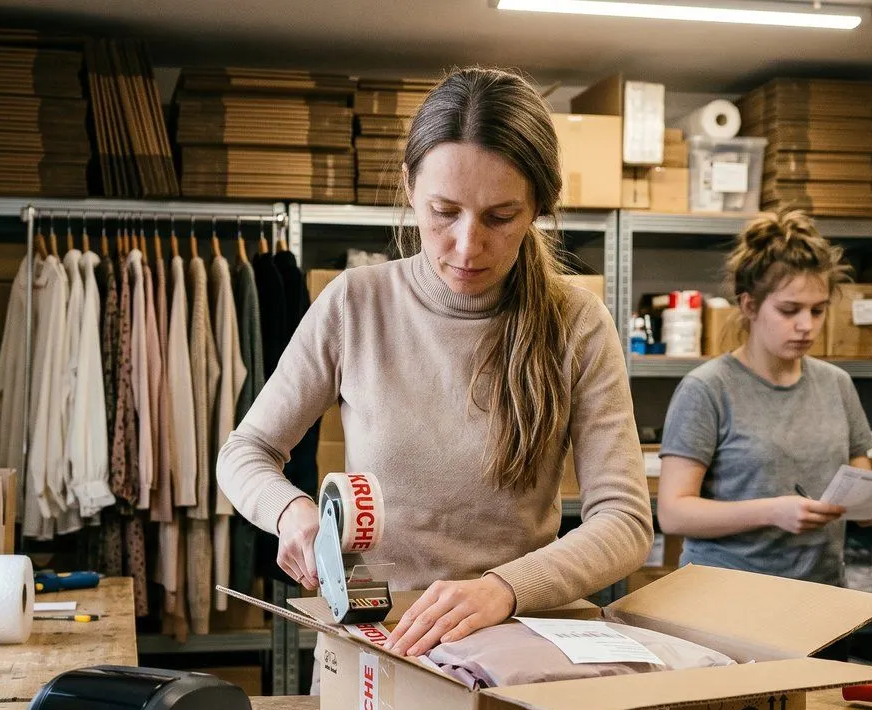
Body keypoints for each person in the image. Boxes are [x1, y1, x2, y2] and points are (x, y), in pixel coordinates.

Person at [216, 68, 652, 659]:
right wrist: (289, 511)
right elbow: (245, 452)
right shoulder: (354, 303)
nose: (468, 246)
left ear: (539, 207)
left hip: (508, 645)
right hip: (373, 641)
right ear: (409, 186)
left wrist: (504, 589)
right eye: (444, 211)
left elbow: (624, 520)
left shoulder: (578, 322)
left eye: (501, 217)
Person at [657, 209, 872, 588]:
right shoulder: (707, 388)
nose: (806, 326)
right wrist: (772, 512)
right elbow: (674, 513)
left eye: (818, 310)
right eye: (789, 310)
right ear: (749, 305)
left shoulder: (836, 384)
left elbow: (862, 509)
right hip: (728, 595)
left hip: (820, 592)